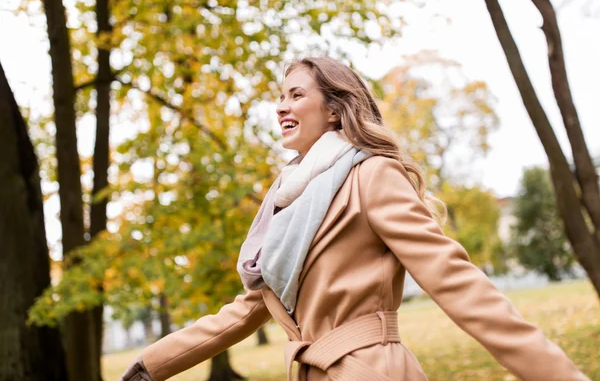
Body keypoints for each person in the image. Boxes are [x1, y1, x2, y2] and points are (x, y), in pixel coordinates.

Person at [120, 57, 589, 381]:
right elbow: (247, 310)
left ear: (333, 109)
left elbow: (459, 285)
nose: (281, 106)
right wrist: (150, 365)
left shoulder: (373, 176)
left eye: (296, 94)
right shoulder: (286, 205)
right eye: (279, 96)